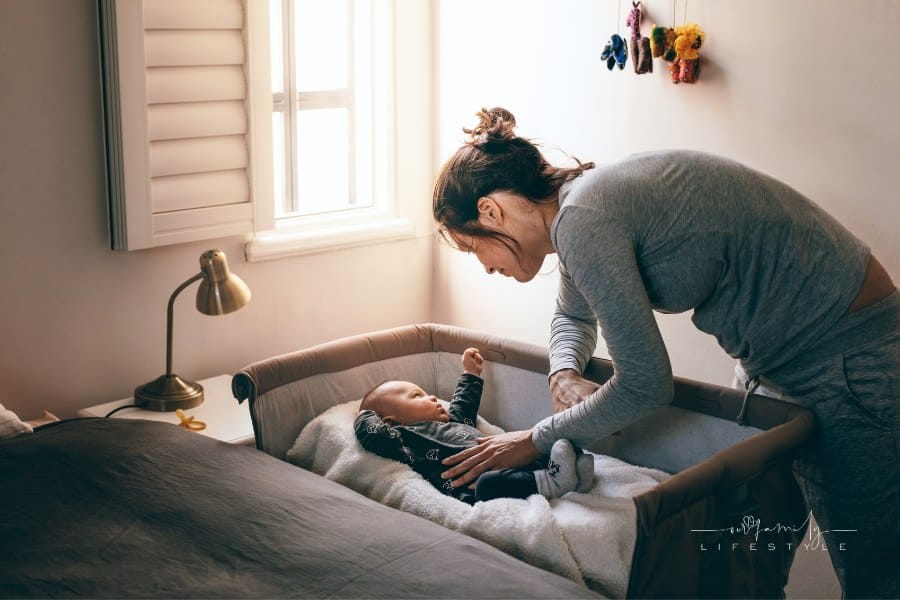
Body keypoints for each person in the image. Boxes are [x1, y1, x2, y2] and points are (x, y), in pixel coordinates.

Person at [432, 107, 898, 598]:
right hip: (772, 360)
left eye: (472, 249)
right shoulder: (576, 214)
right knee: (747, 554)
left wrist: (536, 439)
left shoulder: (583, 218)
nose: (484, 267)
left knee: (874, 568)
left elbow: (646, 383)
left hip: (845, 350)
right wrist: (563, 371)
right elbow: (572, 317)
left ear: (490, 211)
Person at [354, 347, 594, 504]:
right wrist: (364, 414)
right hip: (476, 485)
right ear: (390, 422)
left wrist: (470, 373)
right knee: (489, 484)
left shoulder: (453, 422)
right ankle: (552, 482)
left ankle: (570, 476)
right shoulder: (402, 439)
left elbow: (464, 406)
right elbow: (372, 436)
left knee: (548, 444)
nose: (433, 398)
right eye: (417, 397)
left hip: (508, 459)